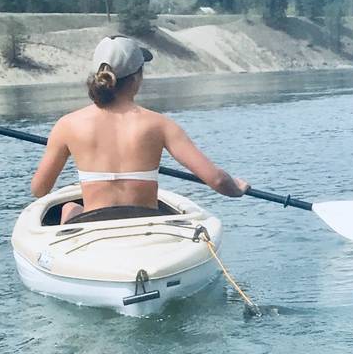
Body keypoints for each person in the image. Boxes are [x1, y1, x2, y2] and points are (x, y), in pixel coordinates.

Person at [31, 35, 249, 224]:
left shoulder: (67, 125)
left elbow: (39, 189)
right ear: (136, 78)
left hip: (93, 227)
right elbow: (218, 180)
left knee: (70, 208)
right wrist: (236, 188)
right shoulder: (159, 124)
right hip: (146, 224)